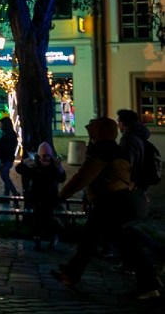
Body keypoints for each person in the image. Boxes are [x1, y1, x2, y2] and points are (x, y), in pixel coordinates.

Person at [51, 117, 161, 300]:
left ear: (100, 131)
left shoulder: (103, 150)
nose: (89, 130)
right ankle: (71, 274)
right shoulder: (113, 149)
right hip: (114, 200)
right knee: (95, 239)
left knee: (121, 243)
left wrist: (62, 195)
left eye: (92, 128)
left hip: (109, 202)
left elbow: (84, 176)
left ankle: (149, 283)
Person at [114, 108, 165, 273]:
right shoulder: (140, 137)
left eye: (118, 121)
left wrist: (125, 182)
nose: (117, 124)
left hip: (130, 189)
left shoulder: (129, 139)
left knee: (124, 227)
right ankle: (132, 261)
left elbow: (126, 164)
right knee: (126, 227)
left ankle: (154, 255)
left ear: (123, 123)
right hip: (138, 188)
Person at [15, 141, 66, 250]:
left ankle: (52, 238)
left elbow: (62, 178)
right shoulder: (34, 164)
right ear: (39, 155)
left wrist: (60, 168)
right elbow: (18, 169)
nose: (45, 158)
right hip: (36, 196)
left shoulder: (53, 165)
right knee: (37, 219)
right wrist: (24, 162)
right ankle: (38, 240)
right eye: (43, 156)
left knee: (48, 218)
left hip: (49, 197)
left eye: (47, 156)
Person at [0, 116, 21, 197]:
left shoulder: (9, 135)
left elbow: (7, 149)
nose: (0, 126)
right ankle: (6, 195)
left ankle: (15, 193)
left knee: (5, 177)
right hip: (4, 159)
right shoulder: (6, 133)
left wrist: (3, 161)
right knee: (5, 176)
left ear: (6, 125)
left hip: (6, 160)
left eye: (2, 124)